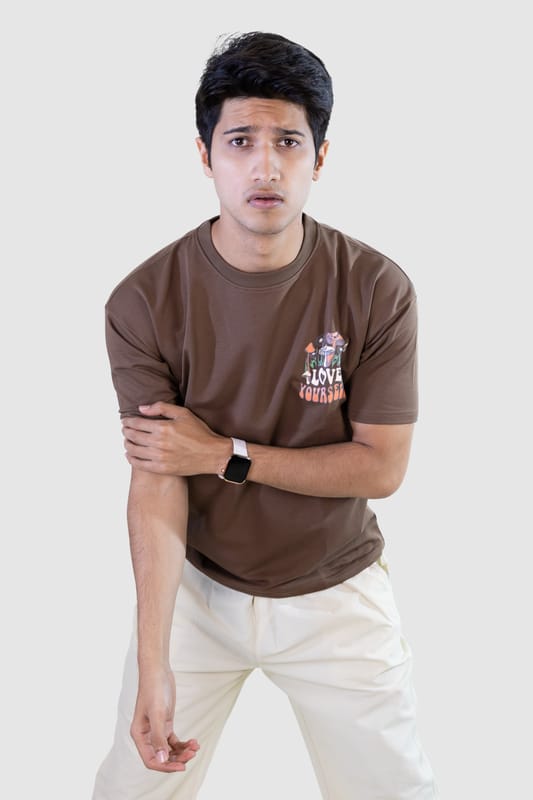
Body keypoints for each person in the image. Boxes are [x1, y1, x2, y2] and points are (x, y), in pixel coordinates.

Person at [92, 30, 439, 800]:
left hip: (335, 587)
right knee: (131, 786)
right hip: (199, 590)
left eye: (288, 142)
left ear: (320, 157)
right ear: (204, 154)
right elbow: (156, 477)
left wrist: (224, 453)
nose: (265, 166)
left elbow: (381, 467)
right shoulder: (143, 300)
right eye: (240, 141)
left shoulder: (375, 288)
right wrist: (154, 662)